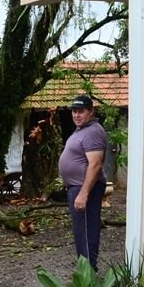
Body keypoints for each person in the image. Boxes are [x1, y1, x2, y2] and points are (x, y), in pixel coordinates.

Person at [58, 94, 108, 271]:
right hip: (77, 187)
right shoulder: (82, 130)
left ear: (91, 111)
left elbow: (95, 165)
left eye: (81, 111)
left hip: (86, 188)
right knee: (81, 231)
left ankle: (89, 273)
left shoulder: (93, 131)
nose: (76, 115)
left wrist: (84, 193)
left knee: (86, 231)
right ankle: (85, 271)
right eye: (74, 111)